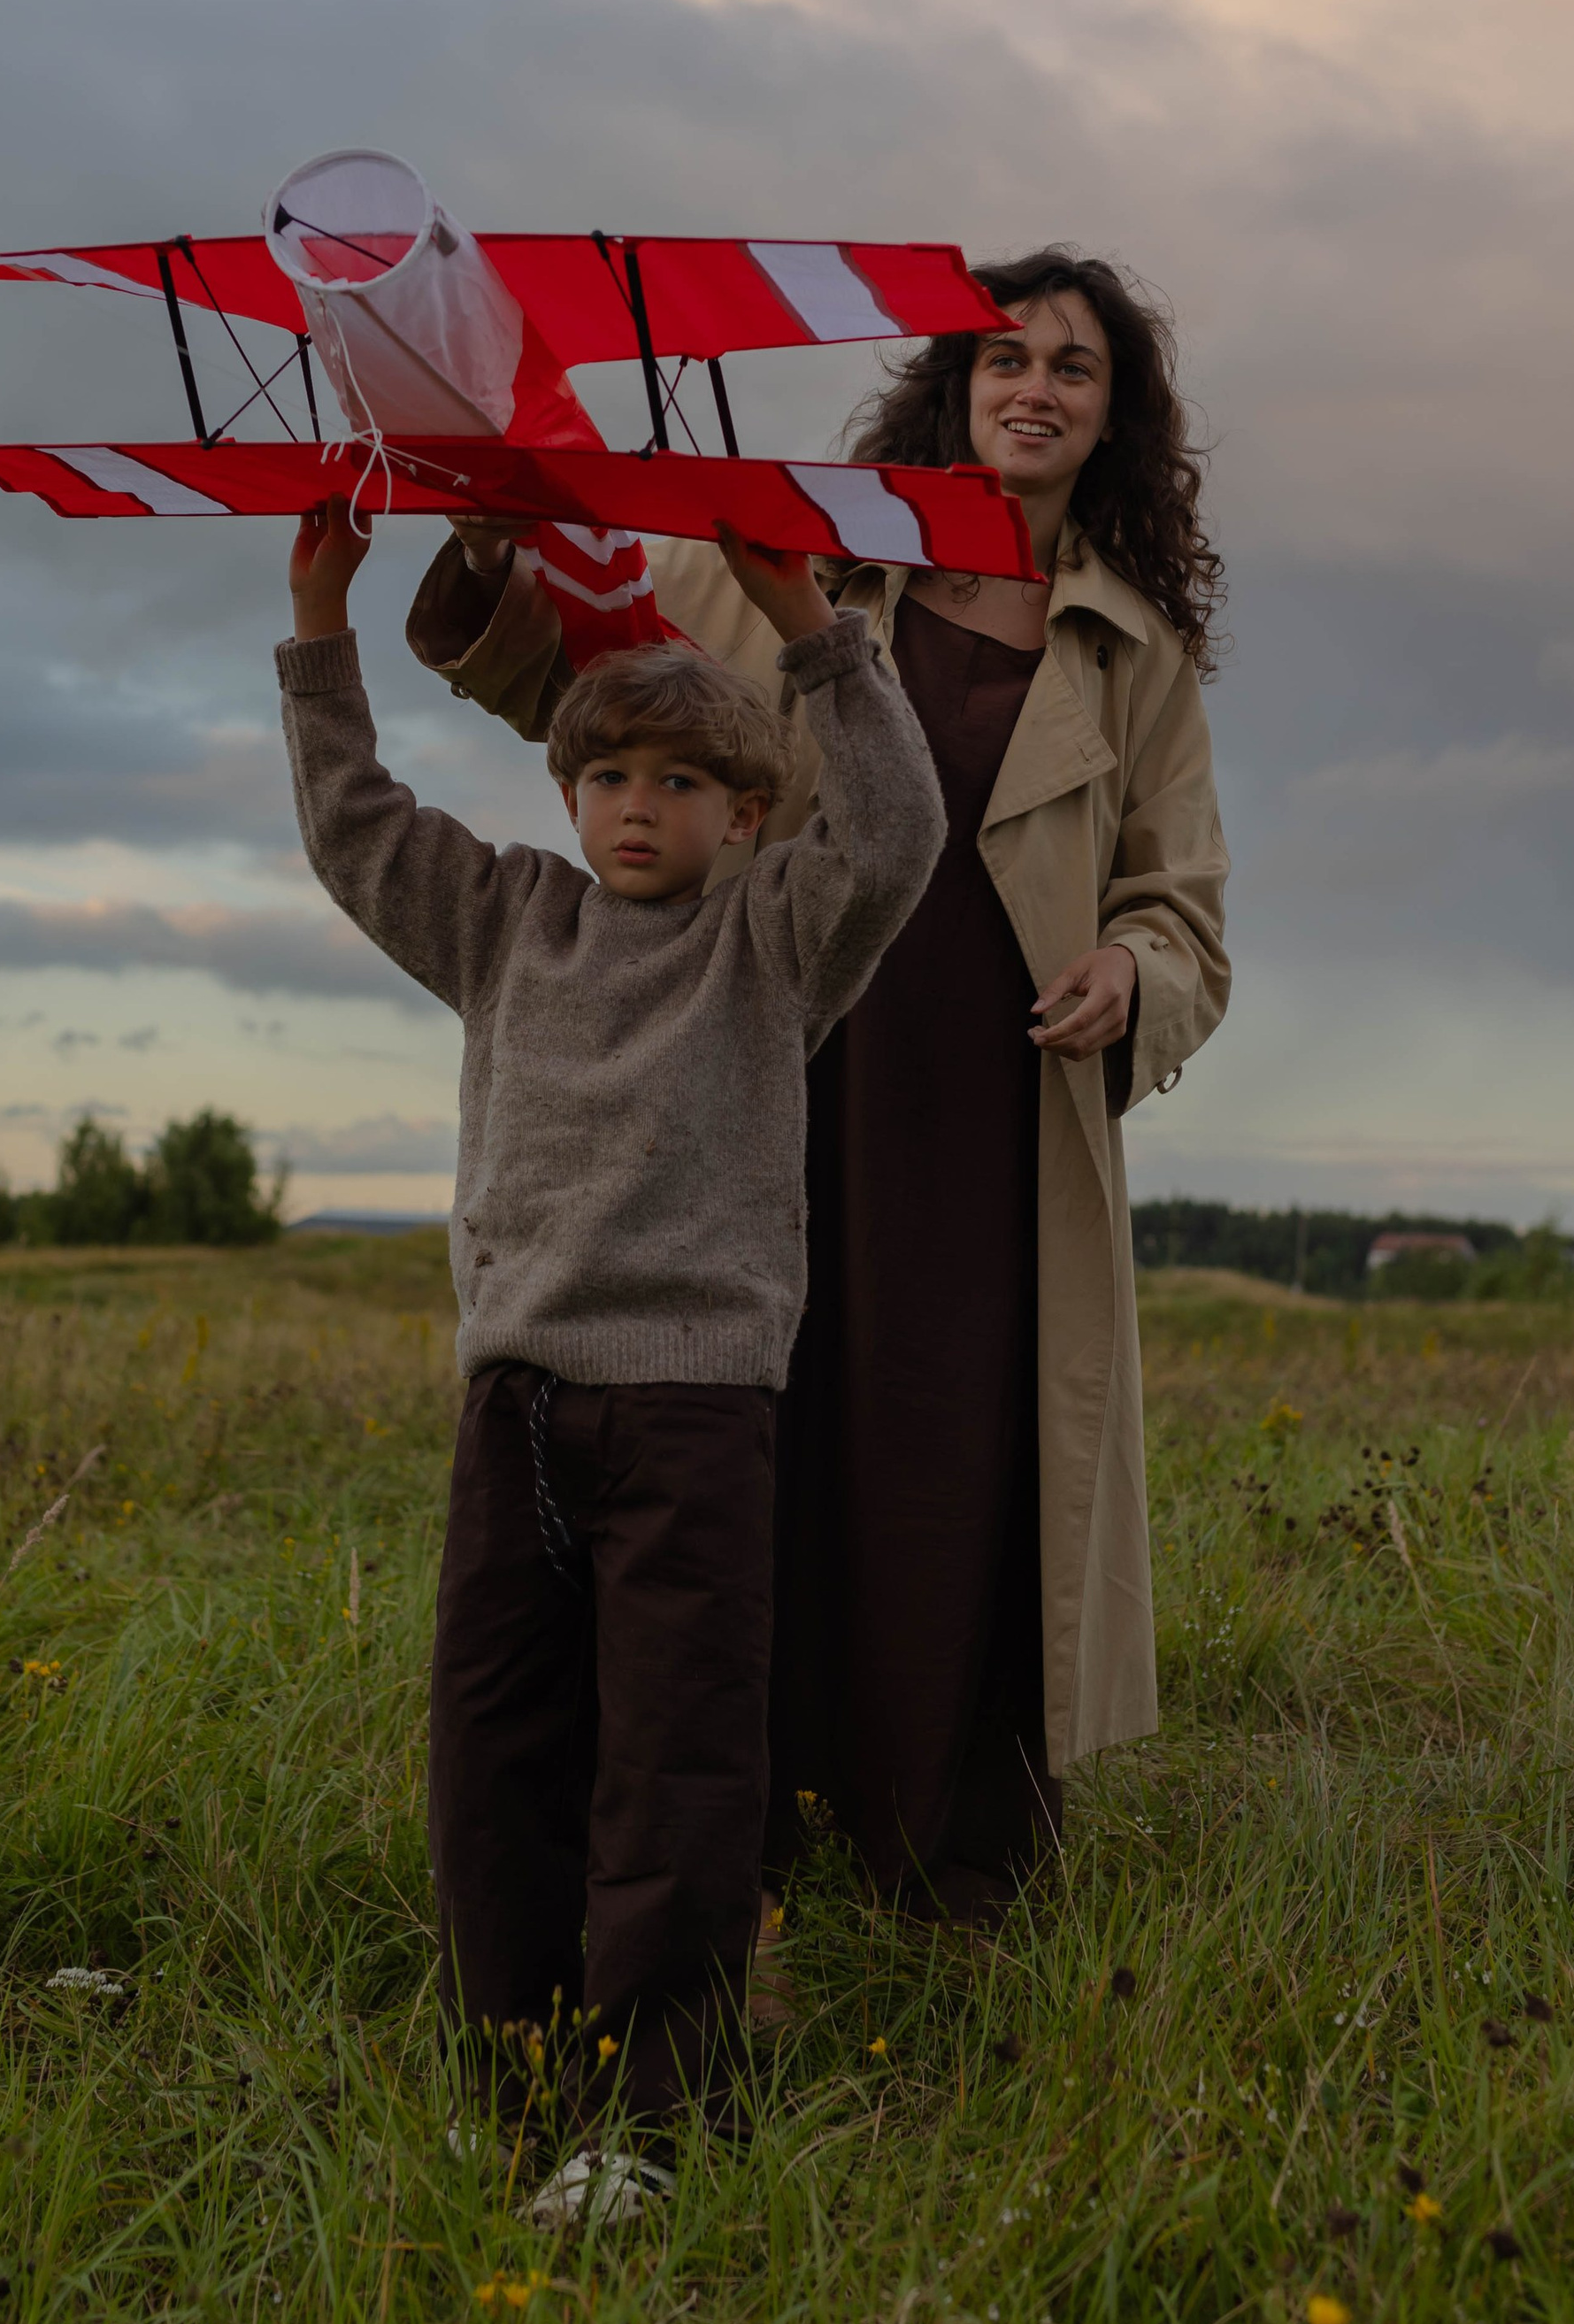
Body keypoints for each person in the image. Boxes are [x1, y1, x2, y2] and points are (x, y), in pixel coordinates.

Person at [406, 248, 1230, 1935]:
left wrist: (1133, 972)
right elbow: (587, 681)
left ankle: (942, 1862)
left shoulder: (1135, 652)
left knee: (951, 1463)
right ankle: (736, 1869)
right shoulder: (790, 557)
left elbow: (1185, 909)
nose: (1036, 388)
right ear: (955, 388)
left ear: (1113, 417)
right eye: (1006, 358)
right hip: (766, 1087)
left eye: (1074, 367)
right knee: (754, 1453)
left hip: (993, 1118)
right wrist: (489, 551)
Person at [277, 503, 942, 2182]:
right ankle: (512, 2083)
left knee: (678, 1765)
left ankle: (653, 2121)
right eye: (612, 777)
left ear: (746, 814)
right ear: (569, 792)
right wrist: (319, 623)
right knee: (495, 1753)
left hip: (696, 1418)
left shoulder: (773, 940)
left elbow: (899, 832)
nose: (641, 807)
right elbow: (354, 827)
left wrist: (812, 629)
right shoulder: (505, 919)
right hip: (516, 1406)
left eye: (683, 783)